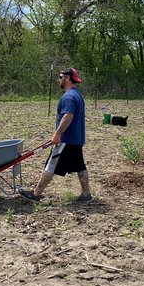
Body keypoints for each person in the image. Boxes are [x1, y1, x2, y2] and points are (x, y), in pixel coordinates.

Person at [19, 68, 92, 203]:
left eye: (60, 77)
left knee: (51, 165)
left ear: (67, 78)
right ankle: (86, 194)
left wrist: (57, 134)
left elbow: (68, 116)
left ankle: (36, 194)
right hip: (77, 139)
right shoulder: (77, 95)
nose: (58, 80)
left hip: (66, 139)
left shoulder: (68, 97)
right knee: (80, 166)